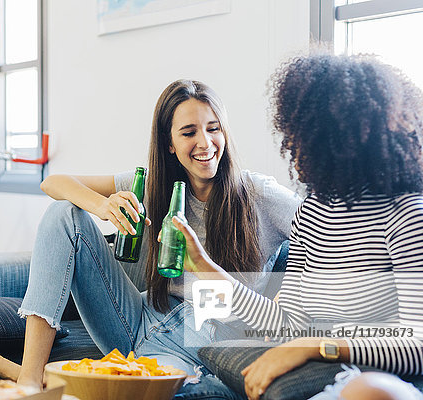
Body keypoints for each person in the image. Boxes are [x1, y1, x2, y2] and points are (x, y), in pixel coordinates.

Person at [0, 79, 301, 397]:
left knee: (167, 394)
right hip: (137, 318)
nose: (205, 142)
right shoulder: (152, 186)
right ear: (169, 144)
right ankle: (29, 380)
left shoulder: (259, 195)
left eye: (213, 128)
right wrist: (102, 205)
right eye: (189, 132)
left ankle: (62, 380)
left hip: (199, 344)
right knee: (64, 214)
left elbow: (326, 230)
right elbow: (54, 183)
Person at [172, 54, 423, 400]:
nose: (299, 147)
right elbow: (287, 324)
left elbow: (417, 343)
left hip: (376, 380)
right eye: (299, 134)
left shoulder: (406, 213)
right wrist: (205, 268)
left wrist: (318, 346)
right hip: (315, 376)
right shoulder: (312, 213)